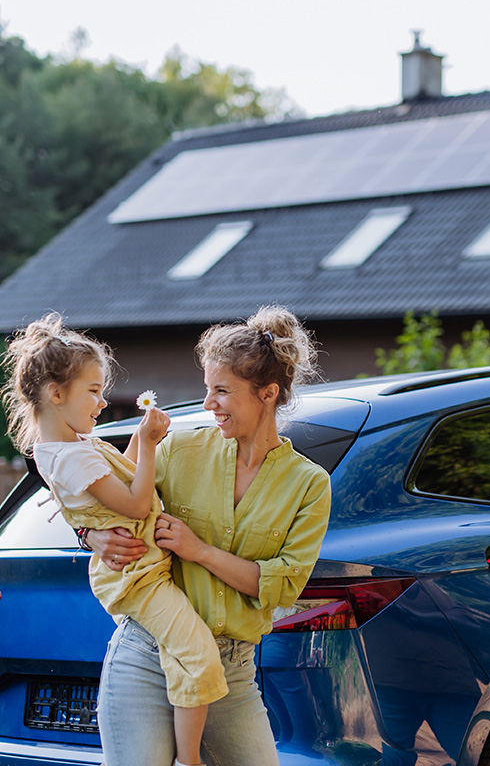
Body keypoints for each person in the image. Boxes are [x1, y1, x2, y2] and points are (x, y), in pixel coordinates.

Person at [85, 305, 331, 766]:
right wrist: (89, 535)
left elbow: (280, 585)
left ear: (268, 393)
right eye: (206, 389)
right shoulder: (178, 449)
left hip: (231, 670)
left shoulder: (308, 484)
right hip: (148, 654)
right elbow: (98, 497)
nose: (207, 404)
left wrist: (198, 551)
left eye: (221, 391)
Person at [1, 313, 228, 766]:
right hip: (138, 578)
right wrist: (145, 441)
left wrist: (147, 445)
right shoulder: (68, 458)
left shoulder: (74, 446)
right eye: (94, 391)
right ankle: (189, 760)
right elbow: (136, 504)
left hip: (141, 570)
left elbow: (118, 477)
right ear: (55, 393)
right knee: (198, 654)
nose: (102, 402)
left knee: (184, 654)